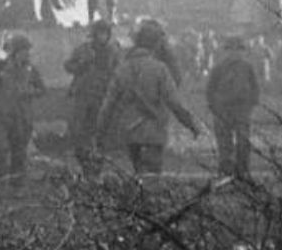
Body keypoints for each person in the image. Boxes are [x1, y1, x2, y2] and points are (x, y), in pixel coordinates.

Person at [101, 24, 205, 174]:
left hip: (130, 131)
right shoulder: (160, 69)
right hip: (154, 131)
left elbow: (108, 105)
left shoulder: (122, 69)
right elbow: (174, 103)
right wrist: (191, 125)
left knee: (139, 173)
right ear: (155, 44)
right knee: (154, 175)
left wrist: (100, 133)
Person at [0, 34, 47, 181]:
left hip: (21, 116)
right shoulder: (1, 66)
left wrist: (29, 92)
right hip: (1, 115)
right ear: (15, 51)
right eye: (23, 51)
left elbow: (42, 90)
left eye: (27, 51)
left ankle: (16, 184)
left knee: (19, 151)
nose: (26, 54)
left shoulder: (31, 70)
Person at [64, 20, 121, 168]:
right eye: (99, 32)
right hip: (83, 92)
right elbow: (68, 65)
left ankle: (96, 161)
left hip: (102, 94)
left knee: (98, 129)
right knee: (79, 128)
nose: (102, 36)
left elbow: (118, 71)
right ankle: (82, 158)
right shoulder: (84, 49)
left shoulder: (113, 50)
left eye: (105, 33)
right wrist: (82, 65)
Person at [205, 37, 260, 176]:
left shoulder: (247, 67)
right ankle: (226, 172)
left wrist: (250, 104)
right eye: (231, 49)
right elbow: (210, 90)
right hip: (222, 110)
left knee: (243, 143)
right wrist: (214, 107)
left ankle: (242, 171)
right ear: (226, 51)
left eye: (239, 49)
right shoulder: (218, 68)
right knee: (224, 145)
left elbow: (255, 87)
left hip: (241, 110)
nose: (235, 53)